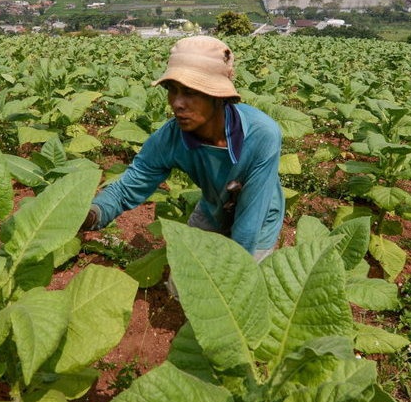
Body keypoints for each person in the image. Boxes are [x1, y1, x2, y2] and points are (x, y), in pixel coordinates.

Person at [82, 35, 284, 261]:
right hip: (213, 209)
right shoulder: (170, 138)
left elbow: (248, 225)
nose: (177, 103)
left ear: (218, 96)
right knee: (181, 285)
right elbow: (126, 188)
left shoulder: (261, 135)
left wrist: (233, 275)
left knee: (236, 286)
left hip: (259, 220)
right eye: (172, 89)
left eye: (190, 92)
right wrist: (91, 215)